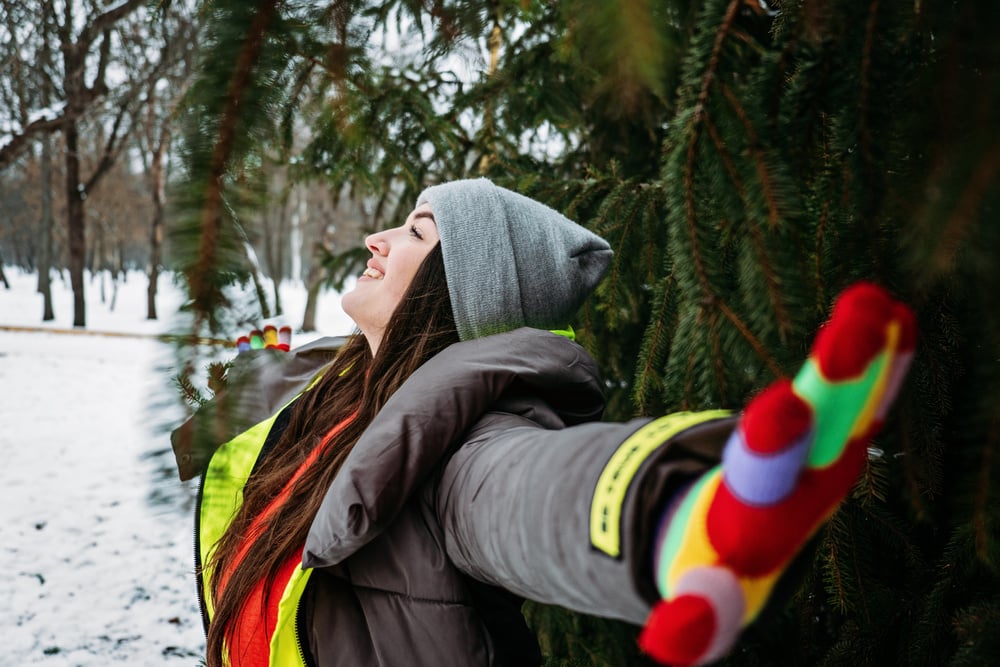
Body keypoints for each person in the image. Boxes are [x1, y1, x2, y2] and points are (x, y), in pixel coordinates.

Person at [171, 178, 916, 667]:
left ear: (457, 295)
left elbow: (529, 492)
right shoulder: (332, 384)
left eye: (417, 234)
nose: (379, 240)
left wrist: (676, 507)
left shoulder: (455, 444)